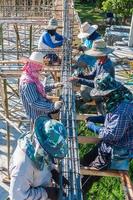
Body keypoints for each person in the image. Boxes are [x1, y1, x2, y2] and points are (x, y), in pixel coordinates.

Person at [81, 73, 133, 198]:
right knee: (85, 160)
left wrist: (93, 127)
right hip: (107, 145)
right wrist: (99, 118)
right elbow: (112, 118)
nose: (102, 97)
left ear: (108, 92)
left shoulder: (123, 110)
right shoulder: (119, 98)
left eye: (102, 95)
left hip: (116, 151)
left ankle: (78, 193)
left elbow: (112, 135)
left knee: (88, 177)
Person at [9, 115, 68, 200]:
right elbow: (16, 197)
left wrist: (53, 171)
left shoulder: (35, 142)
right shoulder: (22, 167)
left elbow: (44, 158)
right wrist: (46, 193)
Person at [70, 39, 114, 113]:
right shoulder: (99, 62)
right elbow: (93, 75)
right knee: (84, 87)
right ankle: (91, 101)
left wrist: (80, 80)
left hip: (105, 90)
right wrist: (81, 76)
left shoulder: (107, 67)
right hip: (99, 85)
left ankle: (95, 102)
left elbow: (98, 84)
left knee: (84, 89)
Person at [19, 51, 63, 122]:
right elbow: (34, 103)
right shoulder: (27, 82)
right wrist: (53, 106)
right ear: (35, 66)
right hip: (37, 116)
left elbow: (39, 89)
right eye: (39, 67)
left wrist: (53, 86)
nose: (40, 70)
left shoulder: (31, 76)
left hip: (42, 110)